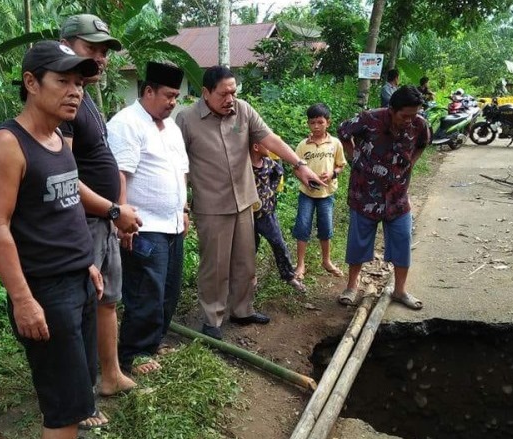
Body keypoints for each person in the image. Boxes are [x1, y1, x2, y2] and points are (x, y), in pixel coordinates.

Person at [0, 40, 103, 439]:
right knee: (63, 411)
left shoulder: (56, 140)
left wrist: (86, 264)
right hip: (46, 291)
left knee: (79, 391)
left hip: (78, 282)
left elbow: (64, 208)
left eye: (80, 83)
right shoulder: (8, 144)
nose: (75, 91)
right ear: (31, 82)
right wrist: (23, 299)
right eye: (63, 81)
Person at [175, 65, 323, 340]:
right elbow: (179, 166)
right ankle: (212, 319)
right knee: (215, 266)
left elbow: (270, 139)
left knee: (245, 261)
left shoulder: (243, 111)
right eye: (223, 93)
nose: (230, 98)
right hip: (211, 206)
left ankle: (242, 310)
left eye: (233, 91)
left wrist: (299, 164)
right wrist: (182, 205)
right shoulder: (186, 120)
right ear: (205, 93)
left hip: (244, 201)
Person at [59, 14, 141, 428]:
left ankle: (110, 376)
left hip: (103, 220)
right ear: (66, 44)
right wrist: (111, 210)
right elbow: (65, 175)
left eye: (104, 52)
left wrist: (112, 212)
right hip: (83, 222)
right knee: (81, 308)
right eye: (92, 50)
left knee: (107, 300)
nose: (101, 59)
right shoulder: (65, 103)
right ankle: (82, 397)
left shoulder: (85, 95)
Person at [107, 62, 188, 374]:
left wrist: (183, 210)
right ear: (148, 91)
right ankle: (134, 352)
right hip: (143, 225)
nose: (172, 102)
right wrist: (122, 219)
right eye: (168, 95)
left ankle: (153, 342)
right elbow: (119, 175)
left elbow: (180, 173)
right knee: (145, 291)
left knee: (169, 289)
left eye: (176, 97)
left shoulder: (172, 129)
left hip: (172, 224)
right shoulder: (127, 123)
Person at [337, 85, 429, 310]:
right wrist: (353, 155)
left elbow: (422, 144)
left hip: (397, 197)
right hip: (364, 194)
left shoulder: (420, 124)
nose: (410, 120)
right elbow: (343, 131)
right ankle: (352, 286)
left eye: (414, 114)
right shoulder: (369, 119)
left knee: (402, 240)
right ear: (392, 109)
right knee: (358, 242)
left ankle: (400, 290)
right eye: (405, 115)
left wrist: (411, 163)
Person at [292, 103, 347, 281]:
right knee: (302, 226)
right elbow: (296, 168)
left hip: (326, 194)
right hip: (307, 194)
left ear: (328, 123)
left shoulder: (335, 144)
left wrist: (332, 174)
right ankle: (300, 264)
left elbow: (341, 165)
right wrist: (304, 179)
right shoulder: (302, 145)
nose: (316, 126)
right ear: (308, 124)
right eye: (312, 123)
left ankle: (327, 260)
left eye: (320, 122)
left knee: (326, 227)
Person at [250, 141, 306, 293]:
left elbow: (279, 172)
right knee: (249, 248)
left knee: (278, 244)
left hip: (267, 215)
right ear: (256, 147)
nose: (270, 149)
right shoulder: (245, 166)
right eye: (267, 145)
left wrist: (271, 191)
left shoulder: (269, 163)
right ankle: (249, 278)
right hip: (247, 216)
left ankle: (289, 276)